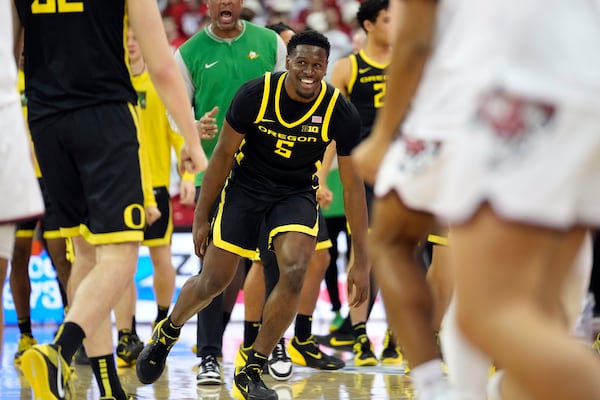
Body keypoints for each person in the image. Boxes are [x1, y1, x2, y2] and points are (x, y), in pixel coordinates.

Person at [136, 30, 370, 400]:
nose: (309, 71)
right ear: (288, 63)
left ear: (326, 68)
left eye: (317, 65)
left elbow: (354, 188)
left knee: (295, 269)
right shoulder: (255, 93)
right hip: (245, 188)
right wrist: (201, 216)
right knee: (213, 281)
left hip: (294, 193)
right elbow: (223, 156)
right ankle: (168, 330)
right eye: (302, 63)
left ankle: (251, 368)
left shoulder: (339, 110)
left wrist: (361, 260)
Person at [13, 0, 208, 398]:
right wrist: (192, 141)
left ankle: (107, 384)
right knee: (121, 252)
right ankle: (58, 353)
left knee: (84, 253)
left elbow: (13, 56)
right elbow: (162, 65)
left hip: (45, 121)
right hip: (102, 116)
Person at [171, 0, 287, 385]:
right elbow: (176, 112)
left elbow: (290, 100)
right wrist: (192, 126)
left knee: (277, 262)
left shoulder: (270, 42)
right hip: (217, 172)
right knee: (216, 272)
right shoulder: (187, 53)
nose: (225, 2)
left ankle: (269, 348)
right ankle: (208, 354)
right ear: (207, 4)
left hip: (270, 174)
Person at [328, 0, 403, 367]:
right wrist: (319, 175)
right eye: (389, 19)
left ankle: (395, 334)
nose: (397, 25)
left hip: (404, 171)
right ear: (370, 25)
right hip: (364, 175)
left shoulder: (408, 64)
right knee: (363, 253)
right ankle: (359, 335)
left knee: (403, 254)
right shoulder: (347, 68)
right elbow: (330, 129)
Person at [0, 0, 45, 353]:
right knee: (18, 254)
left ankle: (76, 336)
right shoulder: (9, 77)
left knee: (66, 255)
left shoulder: (50, 75)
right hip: (18, 173)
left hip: (53, 174)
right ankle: (26, 333)